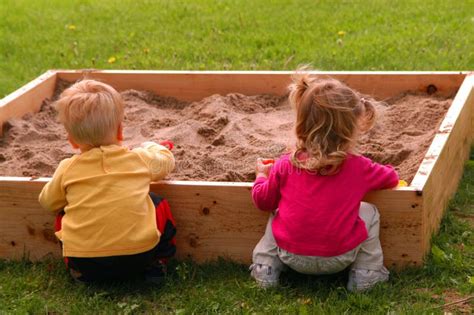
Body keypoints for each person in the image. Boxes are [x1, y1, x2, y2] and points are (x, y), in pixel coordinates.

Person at [249, 71, 399, 292]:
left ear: (302, 122)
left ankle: (265, 268)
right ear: (351, 128)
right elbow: (391, 177)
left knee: (277, 209)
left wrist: (262, 176)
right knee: (370, 211)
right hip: (340, 256)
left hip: (290, 255)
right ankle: (367, 274)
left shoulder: (285, 164)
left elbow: (263, 201)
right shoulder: (359, 166)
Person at [38, 80, 176, 283]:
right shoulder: (137, 158)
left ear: (72, 140)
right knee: (158, 202)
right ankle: (158, 264)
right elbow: (166, 163)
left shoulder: (68, 168)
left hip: (86, 262)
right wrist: (153, 146)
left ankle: (77, 272)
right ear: (120, 131)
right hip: (139, 257)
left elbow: (47, 202)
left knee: (62, 209)